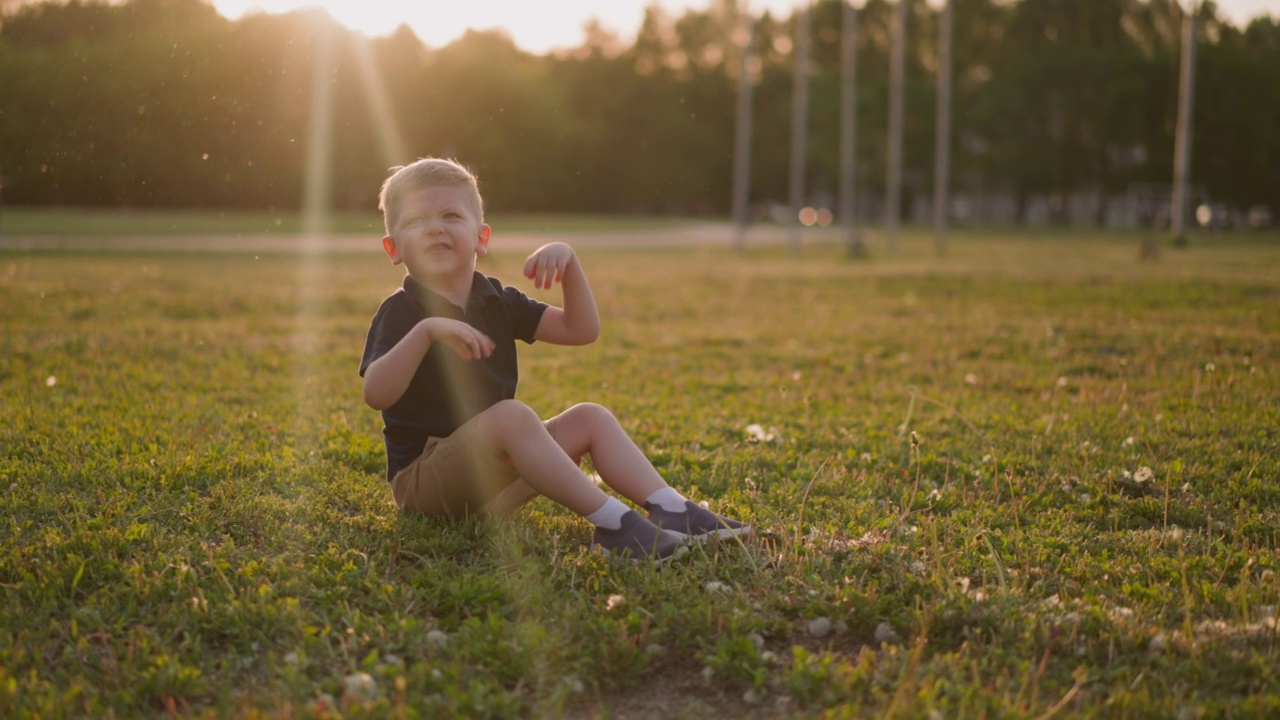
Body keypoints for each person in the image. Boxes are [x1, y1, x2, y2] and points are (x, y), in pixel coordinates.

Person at [360, 158, 750, 564]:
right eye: (416, 221)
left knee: (589, 417)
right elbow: (376, 393)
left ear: (481, 237)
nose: (435, 227)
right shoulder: (402, 311)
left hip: (490, 491)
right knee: (510, 416)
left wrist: (570, 266)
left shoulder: (496, 301)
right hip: (424, 486)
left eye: (451, 215)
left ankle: (673, 508)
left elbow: (580, 330)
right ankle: (614, 525)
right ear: (393, 249)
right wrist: (427, 332)